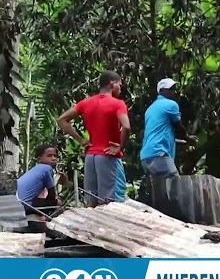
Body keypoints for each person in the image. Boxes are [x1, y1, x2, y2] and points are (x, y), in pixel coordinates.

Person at [57, 70, 131, 207]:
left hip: (91, 157)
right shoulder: (118, 104)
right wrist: (120, 146)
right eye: (119, 85)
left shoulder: (86, 103)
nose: (120, 88)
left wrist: (81, 140)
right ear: (112, 84)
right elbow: (126, 126)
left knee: (92, 201)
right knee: (112, 203)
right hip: (108, 156)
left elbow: (62, 119)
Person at [140, 78, 197, 179]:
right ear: (161, 91)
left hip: (146, 157)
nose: (173, 92)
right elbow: (178, 127)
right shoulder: (171, 105)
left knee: (160, 191)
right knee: (175, 184)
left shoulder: (150, 109)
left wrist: (179, 141)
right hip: (159, 154)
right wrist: (188, 138)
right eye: (170, 89)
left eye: (174, 89)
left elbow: (157, 132)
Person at [17, 144, 72, 216]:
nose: (53, 158)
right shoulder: (47, 169)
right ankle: (47, 220)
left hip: (17, 203)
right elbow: (52, 195)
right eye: (49, 156)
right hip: (24, 205)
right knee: (58, 203)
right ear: (39, 159)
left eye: (55, 156)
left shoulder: (35, 170)